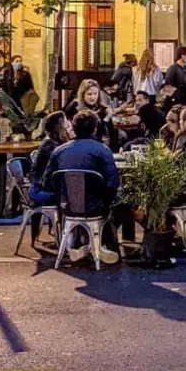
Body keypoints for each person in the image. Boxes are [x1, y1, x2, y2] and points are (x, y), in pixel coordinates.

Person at [43, 110, 122, 263]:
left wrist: (64, 195)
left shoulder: (59, 151)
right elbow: (113, 183)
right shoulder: (102, 150)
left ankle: (87, 245)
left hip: (67, 207)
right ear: (94, 129)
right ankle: (102, 246)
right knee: (121, 206)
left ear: (73, 128)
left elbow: (48, 181)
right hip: (96, 206)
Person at [29, 111, 70, 208]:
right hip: (40, 190)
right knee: (74, 197)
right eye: (65, 121)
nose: (68, 124)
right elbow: (61, 166)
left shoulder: (58, 142)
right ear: (59, 126)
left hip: (49, 187)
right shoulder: (49, 145)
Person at [63, 79, 114, 147]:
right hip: (77, 143)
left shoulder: (103, 109)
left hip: (98, 143)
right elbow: (65, 122)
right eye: (89, 94)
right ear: (82, 94)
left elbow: (109, 131)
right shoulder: (75, 106)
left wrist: (107, 116)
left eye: (95, 94)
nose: (93, 97)